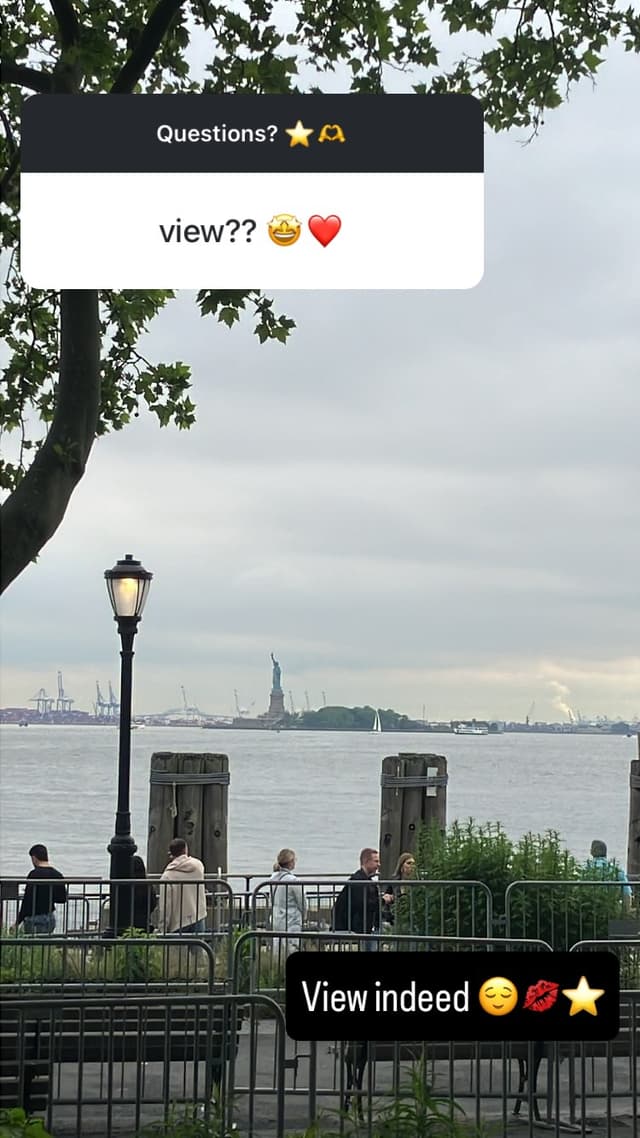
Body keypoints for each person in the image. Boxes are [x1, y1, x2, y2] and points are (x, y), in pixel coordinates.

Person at [332, 848, 382, 950]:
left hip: (365, 927)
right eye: (376, 861)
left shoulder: (367, 881)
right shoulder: (357, 881)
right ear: (366, 862)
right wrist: (383, 900)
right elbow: (363, 903)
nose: (379, 864)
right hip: (356, 929)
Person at [156, 838, 207, 934]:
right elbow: (190, 860)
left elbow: (166, 904)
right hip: (197, 916)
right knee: (199, 947)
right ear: (185, 850)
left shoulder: (167, 876)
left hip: (178, 922)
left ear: (171, 854)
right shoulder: (198, 866)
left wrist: (163, 927)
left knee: (177, 948)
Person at [15, 843, 67, 934]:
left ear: (34, 858)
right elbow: (62, 898)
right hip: (50, 917)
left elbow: (27, 901)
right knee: (46, 944)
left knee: (30, 944)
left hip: (34, 918)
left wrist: (17, 922)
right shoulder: (57, 874)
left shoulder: (34, 874)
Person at [270, 848, 305, 959]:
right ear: (291, 863)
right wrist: (304, 915)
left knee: (278, 950)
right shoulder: (293, 881)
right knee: (292, 948)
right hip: (291, 920)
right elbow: (302, 901)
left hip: (276, 918)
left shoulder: (272, 878)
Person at [382, 851, 416, 925]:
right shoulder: (394, 881)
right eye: (409, 863)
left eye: (413, 864)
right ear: (401, 866)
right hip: (395, 917)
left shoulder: (418, 882)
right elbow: (386, 899)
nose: (412, 866)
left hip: (412, 917)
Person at [129, 855, 158, 933]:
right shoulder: (147, 885)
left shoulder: (127, 885)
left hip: (128, 922)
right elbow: (153, 903)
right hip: (144, 921)